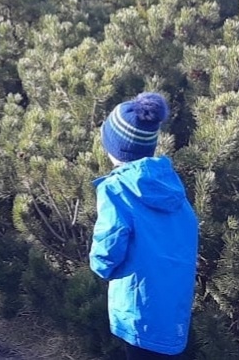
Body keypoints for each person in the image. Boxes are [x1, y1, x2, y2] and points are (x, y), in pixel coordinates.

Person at [90, 92, 199, 358]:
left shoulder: (116, 190)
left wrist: (101, 268)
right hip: (174, 307)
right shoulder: (172, 185)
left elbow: (108, 247)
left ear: (113, 147)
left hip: (137, 308)